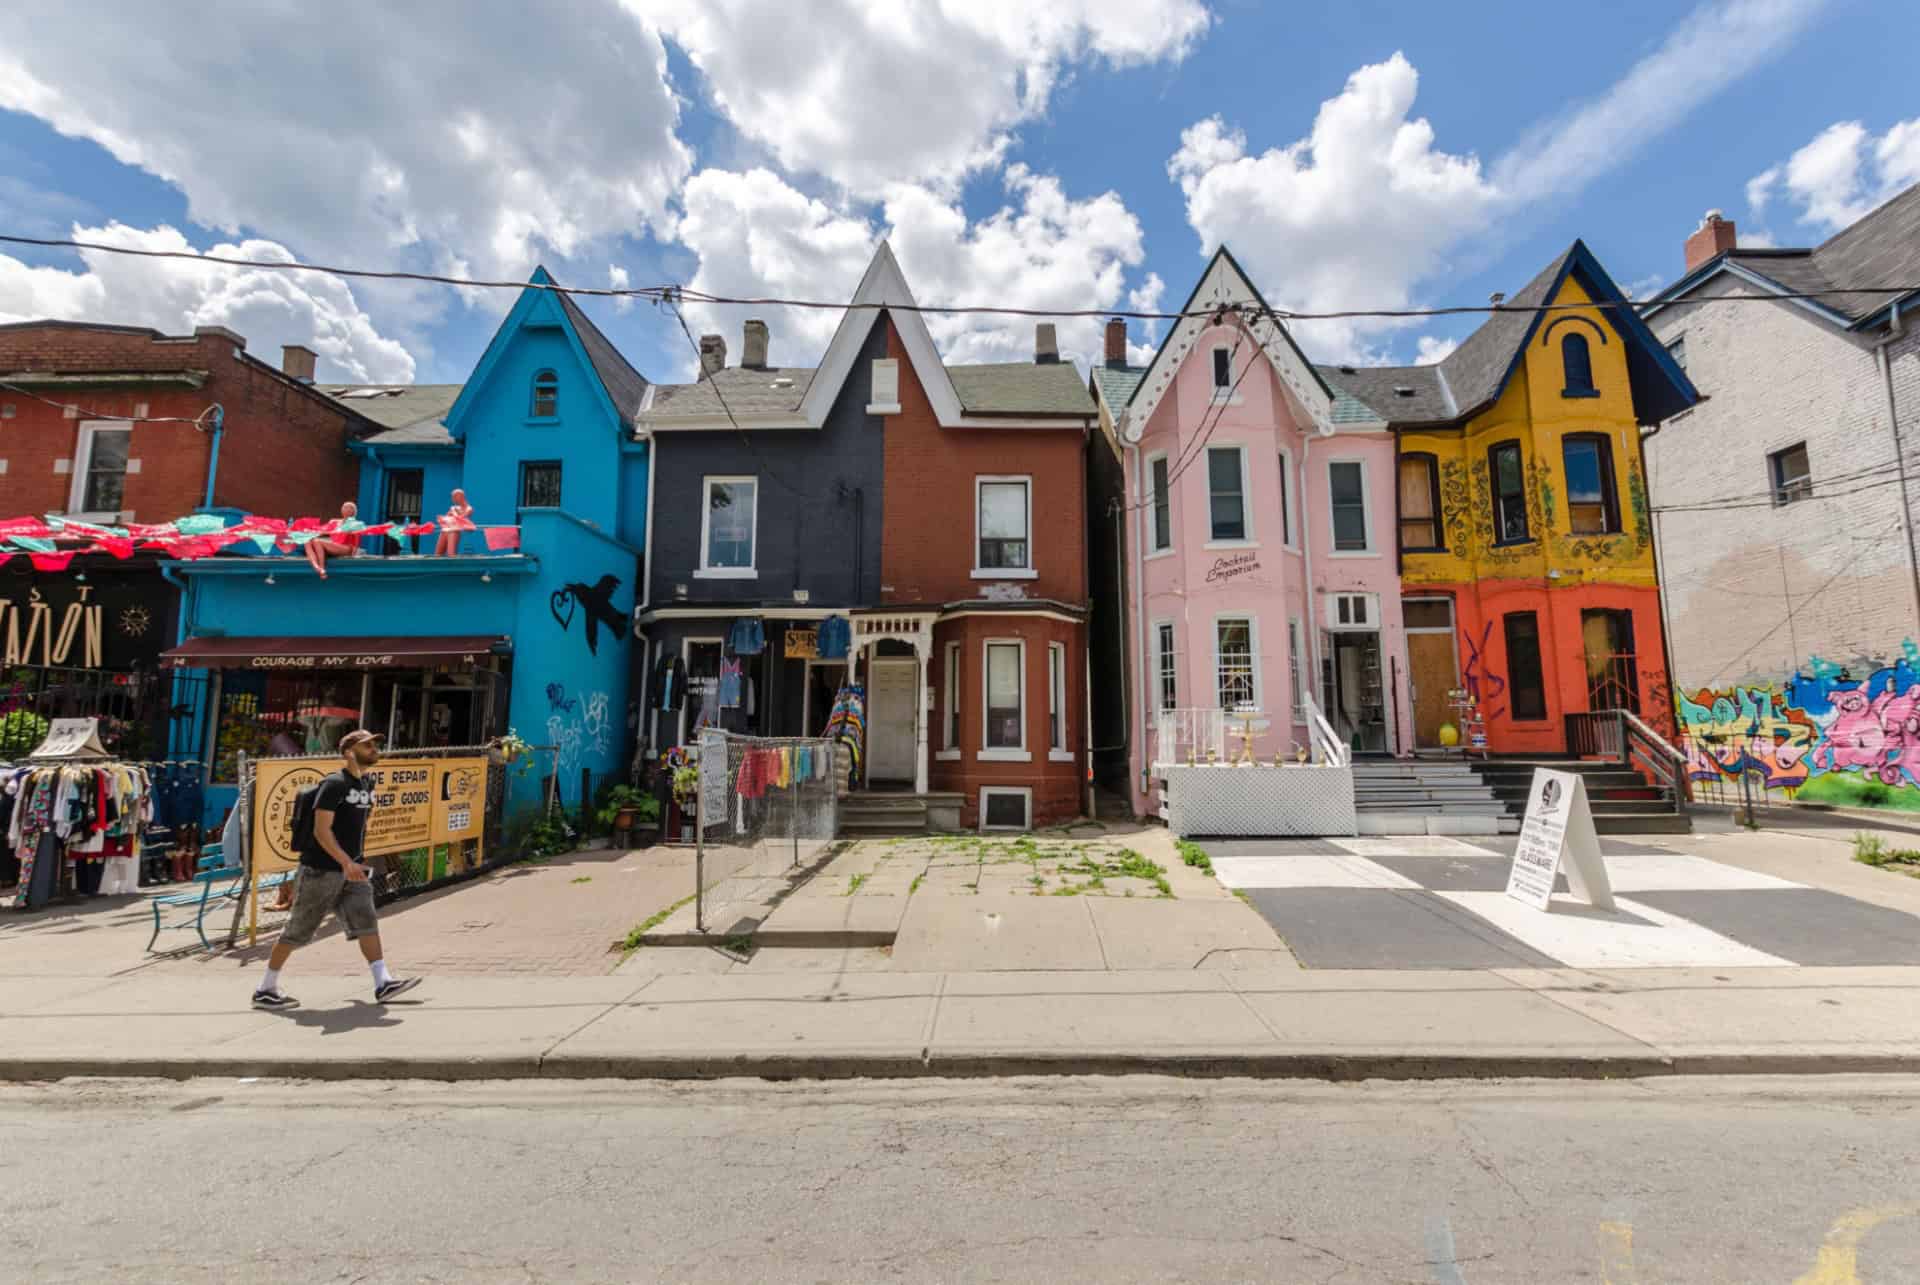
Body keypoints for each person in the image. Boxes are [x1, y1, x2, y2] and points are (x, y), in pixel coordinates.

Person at [251, 730, 420, 1010]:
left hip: (352, 869)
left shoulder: (367, 783)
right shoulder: (334, 784)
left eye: (374, 744)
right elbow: (322, 830)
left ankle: (383, 982)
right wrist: (345, 861)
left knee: (366, 921)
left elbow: (356, 826)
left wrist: (355, 860)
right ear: (349, 752)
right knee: (298, 930)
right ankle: (265, 989)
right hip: (321, 870)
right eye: (367, 745)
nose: (374, 748)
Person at [304, 501, 366, 580]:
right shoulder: (334, 522)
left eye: (351, 507)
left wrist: (353, 556)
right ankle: (317, 567)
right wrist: (309, 532)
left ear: (354, 512)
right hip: (333, 546)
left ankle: (322, 568)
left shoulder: (357, 524)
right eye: (345, 507)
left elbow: (357, 542)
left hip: (346, 548)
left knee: (317, 541)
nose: (347, 509)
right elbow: (322, 530)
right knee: (307, 540)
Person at [434, 488, 473, 557]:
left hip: (454, 531)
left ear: (460, 496)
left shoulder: (468, 508)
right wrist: (442, 518)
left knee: (451, 554)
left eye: (454, 497)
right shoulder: (453, 508)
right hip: (445, 530)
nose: (452, 499)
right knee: (438, 554)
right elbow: (447, 518)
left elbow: (462, 518)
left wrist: (454, 512)